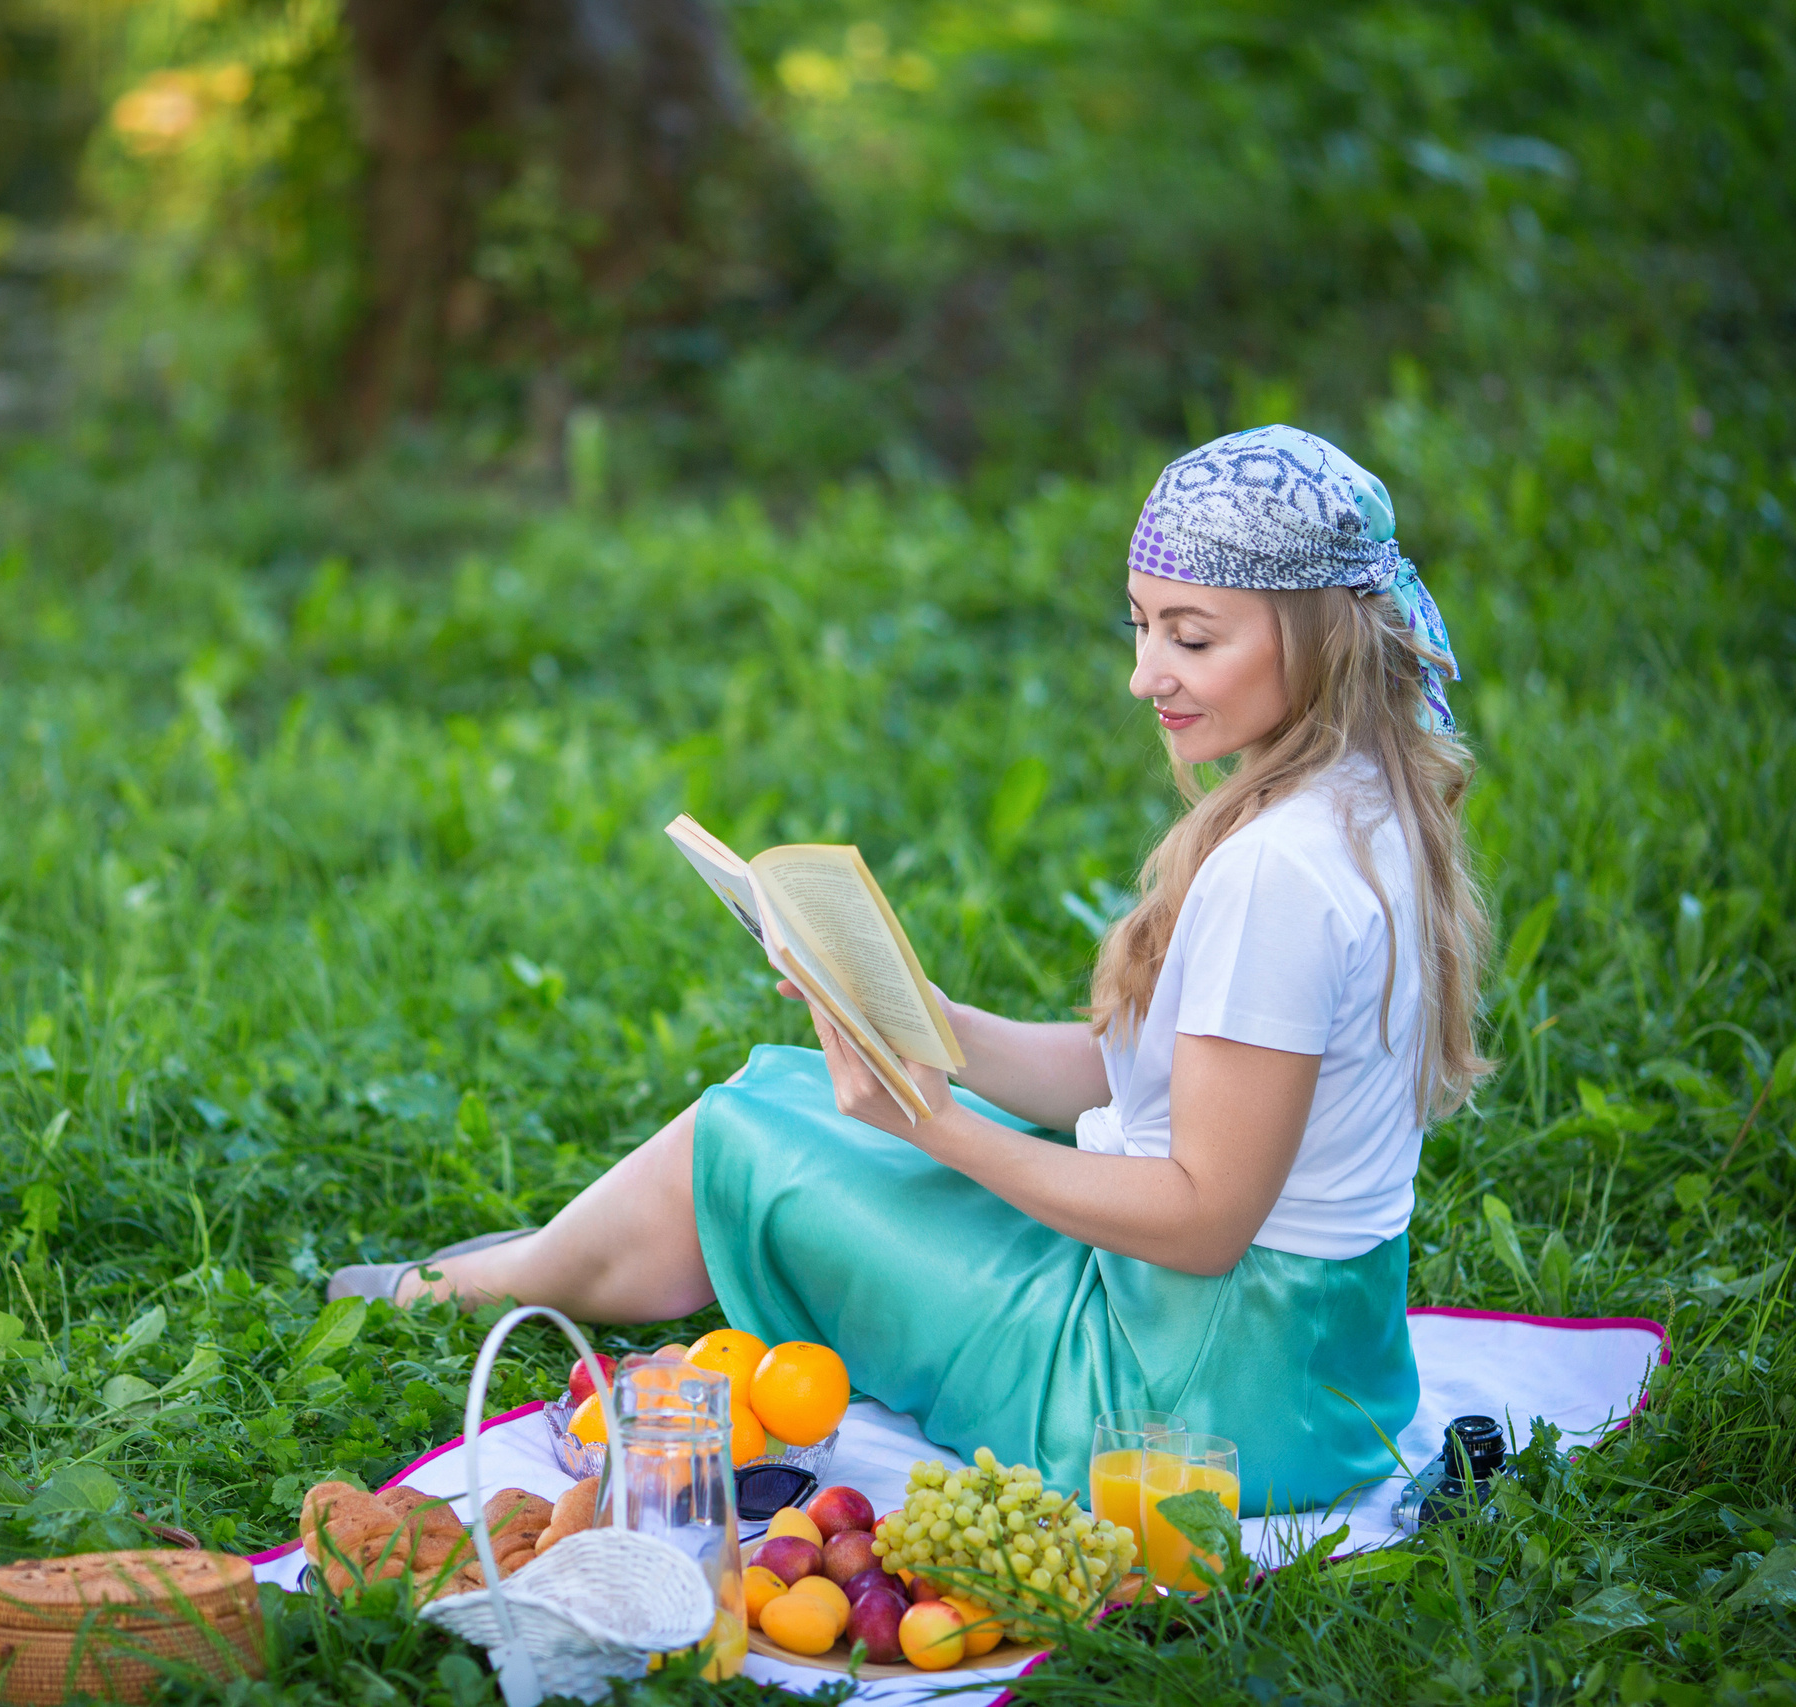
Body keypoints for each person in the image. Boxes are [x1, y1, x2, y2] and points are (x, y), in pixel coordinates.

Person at [329, 426, 1493, 1513]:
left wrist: (930, 1122)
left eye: (1191, 636)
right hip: (1321, 1379)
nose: (1147, 676)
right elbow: (1134, 1075)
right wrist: (932, 1023)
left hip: (1181, 1407)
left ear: (1318, 631)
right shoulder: (1357, 802)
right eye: (1138, 626)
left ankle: (473, 1285)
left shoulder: (1276, 872)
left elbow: (1202, 1221)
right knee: (777, 1094)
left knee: (741, 1134)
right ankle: (505, 1270)